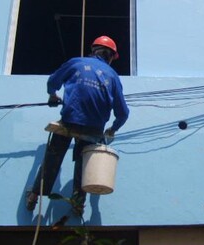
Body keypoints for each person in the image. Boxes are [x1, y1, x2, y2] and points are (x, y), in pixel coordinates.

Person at [26, 35, 129, 214]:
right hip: (94, 129)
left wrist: (52, 95)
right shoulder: (113, 76)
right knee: (84, 164)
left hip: (69, 121)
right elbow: (123, 113)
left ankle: (34, 196)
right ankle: (78, 204)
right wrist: (112, 129)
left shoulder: (75, 63)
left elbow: (52, 82)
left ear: (93, 51)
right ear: (111, 57)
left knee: (53, 157)